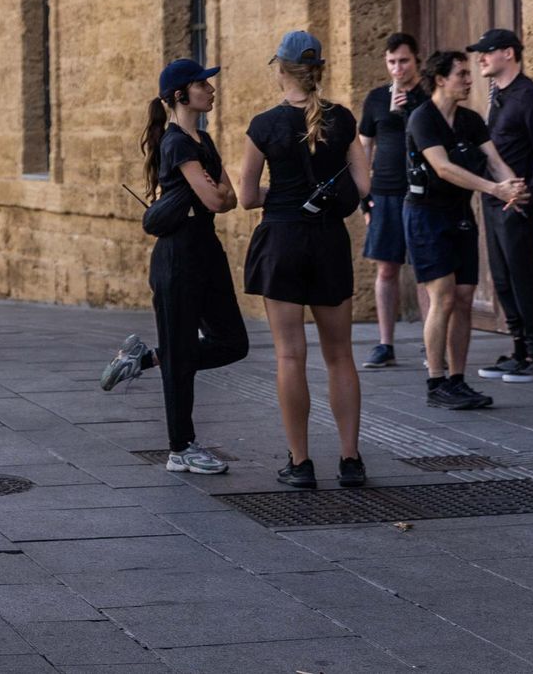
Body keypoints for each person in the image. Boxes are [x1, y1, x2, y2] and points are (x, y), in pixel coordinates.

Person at [239, 31, 372, 490]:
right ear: (317, 70)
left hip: (282, 242)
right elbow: (364, 186)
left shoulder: (263, 126)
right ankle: (350, 459)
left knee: (290, 355)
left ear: (280, 69)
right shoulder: (344, 120)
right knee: (340, 356)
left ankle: (300, 463)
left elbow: (245, 196)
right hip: (328, 243)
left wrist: (285, 193)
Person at [100, 59, 248, 474]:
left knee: (234, 342)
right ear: (181, 94)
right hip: (177, 257)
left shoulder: (203, 138)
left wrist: (215, 191)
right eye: (204, 84)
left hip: (206, 250)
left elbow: (228, 198)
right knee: (182, 356)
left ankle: (144, 359)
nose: (212, 90)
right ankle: (180, 448)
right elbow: (218, 199)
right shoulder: (177, 142)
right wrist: (214, 190)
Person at [405, 49, 527, 411]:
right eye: (461, 74)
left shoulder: (471, 120)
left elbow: (494, 160)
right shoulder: (422, 119)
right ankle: (436, 381)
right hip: (425, 215)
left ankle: (457, 381)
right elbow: (442, 168)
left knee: (463, 297)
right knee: (442, 296)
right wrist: (493, 189)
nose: (469, 80)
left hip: (458, 214)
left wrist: (515, 186)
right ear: (440, 79)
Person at [468, 28, 533, 383]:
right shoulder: (499, 94)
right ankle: (519, 348)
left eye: (487, 52)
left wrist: (530, 197)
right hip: (494, 199)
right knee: (503, 277)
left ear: (508, 53)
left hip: (517, 205)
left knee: (524, 275)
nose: (481, 59)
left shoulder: (528, 95)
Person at [357, 32, 430, 367]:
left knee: (426, 270)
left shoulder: (430, 96)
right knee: (386, 269)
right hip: (385, 192)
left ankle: (432, 339)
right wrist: (364, 196)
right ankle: (386, 344)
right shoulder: (375, 99)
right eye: (391, 62)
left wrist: (411, 106)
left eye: (403, 61)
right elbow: (364, 148)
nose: (397, 68)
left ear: (417, 60)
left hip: (422, 192)